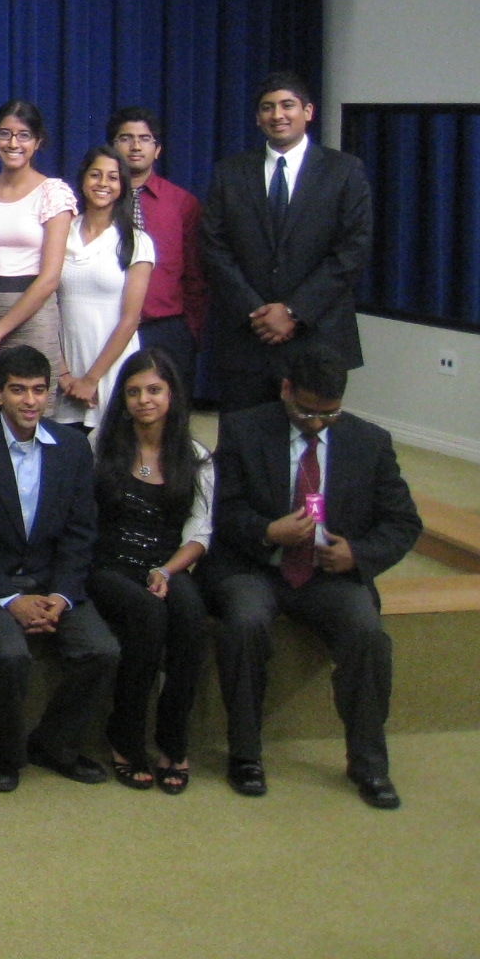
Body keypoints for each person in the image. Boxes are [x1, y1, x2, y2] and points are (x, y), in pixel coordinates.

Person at [205, 344, 421, 808]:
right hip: (256, 566)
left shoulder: (370, 442)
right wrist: (268, 531)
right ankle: (245, 754)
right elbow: (220, 510)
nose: (317, 423)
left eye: (329, 413)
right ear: (285, 389)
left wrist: (357, 555)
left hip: (330, 575)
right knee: (243, 623)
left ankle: (368, 764)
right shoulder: (244, 429)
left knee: (367, 634)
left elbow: (404, 523)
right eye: (306, 411)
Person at [0, 344, 119, 792]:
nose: (30, 401)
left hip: (53, 582)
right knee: (9, 655)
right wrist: (10, 598)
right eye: (18, 390)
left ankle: (54, 743)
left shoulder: (73, 448)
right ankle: (8, 752)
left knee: (102, 650)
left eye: (39, 391)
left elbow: (81, 533)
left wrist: (62, 595)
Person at [200, 72, 375, 414]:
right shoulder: (230, 172)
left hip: (316, 334)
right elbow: (213, 246)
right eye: (267, 107)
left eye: (287, 105)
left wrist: (293, 311)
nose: (277, 114)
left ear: (308, 111)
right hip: (247, 335)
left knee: (309, 440)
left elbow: (353, 250)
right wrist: (257, 312)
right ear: (257, 118)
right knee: (242, 439)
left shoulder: (344, 171)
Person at [87, 350, 212, 794]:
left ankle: (174, 743)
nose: (144, 400)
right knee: (147, 615)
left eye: (155, 390)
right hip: (109, 567)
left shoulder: (195, 456)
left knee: (191, 616)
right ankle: (125, 737)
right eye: (134, 391)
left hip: (168, 564)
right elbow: (86, 522)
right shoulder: (101, 449)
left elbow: (200, 530)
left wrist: (167, 569)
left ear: (172, 395)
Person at [0, 101, 77, 418]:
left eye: (24, 135)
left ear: (38, 141)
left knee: (30, 417)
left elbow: (50, 278)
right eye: (5, 134)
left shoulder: (53, 193)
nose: (13, 143)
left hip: (32, 316)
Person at [105, 107, 208, 389]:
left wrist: (190, 331)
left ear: (158, 149)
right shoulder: (95, 200)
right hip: (106, 325)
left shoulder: (182, 203)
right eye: (125, 138)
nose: (136, 146)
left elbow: (195, 274)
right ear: (112, 148)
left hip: (164, 329)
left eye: (145, 139)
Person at [53, 146, 155, 428]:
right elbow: (47, 305)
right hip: (63, 365)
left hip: (111, 366)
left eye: (112, 177)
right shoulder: (61, 232)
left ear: (122, 186)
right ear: (83, 180)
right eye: (95, 175)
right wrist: (63, 374)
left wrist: (90, 379)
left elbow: (130, 319)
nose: (102, 183)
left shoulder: (136, 240)